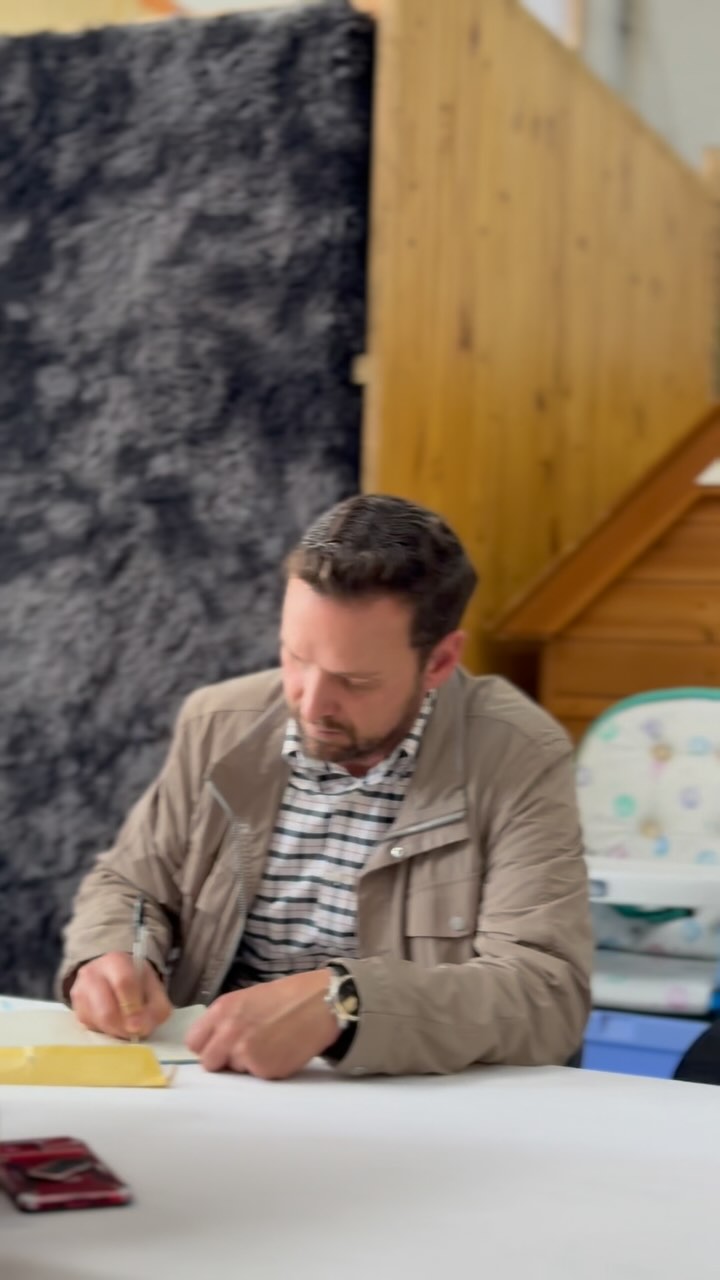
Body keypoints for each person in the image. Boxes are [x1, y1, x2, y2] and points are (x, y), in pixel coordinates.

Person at [60, 495, 592, 1079]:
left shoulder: (518, 752)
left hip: (404, 1103)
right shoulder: (216, 721)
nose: (311, 704)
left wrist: (346, 1002)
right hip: (213, 1083)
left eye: (354, 681)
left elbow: (546, 994)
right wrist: (111, 953)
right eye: (296, 658)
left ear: (439, 662)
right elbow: (130, 884)